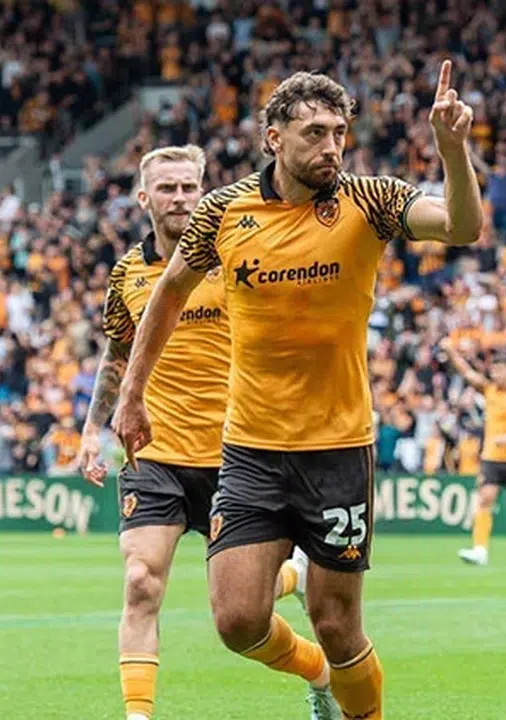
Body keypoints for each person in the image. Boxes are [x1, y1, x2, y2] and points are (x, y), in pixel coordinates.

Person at [113, 62, 482, 720]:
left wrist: (452, 150)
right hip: (251, 450)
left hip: (338, 448)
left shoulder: (371, 201)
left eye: (339, 132)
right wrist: (131, 394)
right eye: (315, 133)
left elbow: (461, 226)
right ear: (273, 138)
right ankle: (312, 672)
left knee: (336, 623)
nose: (332, 146)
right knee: (236, 620)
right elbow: (166, 296)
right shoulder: (223, 211)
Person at [77, 145, 311, 720]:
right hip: (154, 451)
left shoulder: (235, 258)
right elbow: (117, 355)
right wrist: (90, 430)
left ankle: (313, 650)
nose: (179, 198)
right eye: (167, 188)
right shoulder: (127, 274)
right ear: (144, 198)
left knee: (243, 610)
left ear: (203, 192)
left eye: (188, 187)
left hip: (237, 453)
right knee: (140, 581)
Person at [443, 343, 506, 567]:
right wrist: (451, 352)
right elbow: (468, 373)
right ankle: (480, 550)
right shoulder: (489, 390)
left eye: (499, 369)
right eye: (493, 370)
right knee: (485, 499)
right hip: (492, 457)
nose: (495, 374)